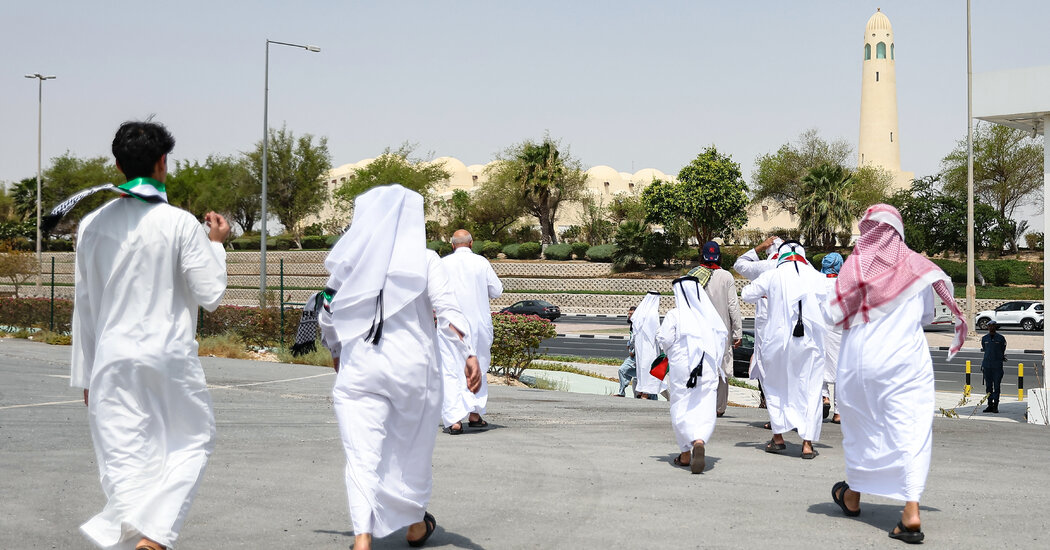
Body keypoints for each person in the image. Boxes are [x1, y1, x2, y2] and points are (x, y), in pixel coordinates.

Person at [70, 121, 230, 550]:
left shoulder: (90, 225)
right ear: (163, 163)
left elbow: (84, 307)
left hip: (111, 360)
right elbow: (211, 293)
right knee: (193, 439)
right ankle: (153, 539)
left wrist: (86, 374)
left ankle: (139, 537)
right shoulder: (179, 223)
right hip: (169, 356)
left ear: (117, 165)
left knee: (125, 457)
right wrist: (215, 242)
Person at [319, 184, 481, 550]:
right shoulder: (425, 260)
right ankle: (414, 526)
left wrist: (335, 350)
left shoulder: (351, 263)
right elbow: (448, 310)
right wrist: (468, 352)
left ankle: (362, 538)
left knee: (361, 456)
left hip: (360, 368)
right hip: (412, 372)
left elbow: (327, 309)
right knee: (412, 451)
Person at [825, 204, 967, 544]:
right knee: (911, 429)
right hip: (905, 359)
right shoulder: (917, 267)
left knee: (862, 427)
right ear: (899, 231)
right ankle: (911, 511)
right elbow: (925, 318)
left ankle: (853, 495)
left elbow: (831, 314)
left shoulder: (855, 265)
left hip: (860, 360)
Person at [741, 241, 827, 460]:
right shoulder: (817, 276)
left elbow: (746, 294)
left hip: (776, 341)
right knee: (811, 387)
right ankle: (807, 444)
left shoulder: (772, 275)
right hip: (810, 342)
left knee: (776, 385)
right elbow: (833, 305)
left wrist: (768, 294)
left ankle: (778, 437)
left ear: (780, 255)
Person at [656, 276, 728, 474]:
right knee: (704, 405)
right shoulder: (710, 316)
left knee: (681, 406)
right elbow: (722, 340)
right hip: (708, 368)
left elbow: (665, 340)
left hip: (682, 368)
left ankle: (686, 453)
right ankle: (699, 440)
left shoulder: (674, 315)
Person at [440, 229, 503, 433]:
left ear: (452, 245)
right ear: (471, 243)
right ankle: (475, 414)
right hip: (478, 325)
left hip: (451, 325)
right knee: (479, 367)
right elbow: (497, 290)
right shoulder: (481, 262)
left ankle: (454, 420)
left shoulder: (443, 264)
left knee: (451, 370)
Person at [688, 241, 742, 417]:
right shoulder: (726, 276)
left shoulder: (694, 275)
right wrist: (737, 333)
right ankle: (719, 408)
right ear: (719, 256)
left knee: (701, 365)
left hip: (699, 330)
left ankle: (702, 403)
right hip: (722, 332)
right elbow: (733, 306)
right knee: (722, 368)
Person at [733, 235, 783, 412]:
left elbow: (739, 264)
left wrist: (759, 247)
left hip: (765, 327)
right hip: (787, 327)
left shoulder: (765, 266)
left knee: (764, 365)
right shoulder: (800, 268)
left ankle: (770, 405)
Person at [820, 252, 845, 424]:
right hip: (840, 330)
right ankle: (838, 412)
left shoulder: (817, 283)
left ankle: (823, 397)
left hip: (820, 328)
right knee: (840, 370)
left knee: (819, 363)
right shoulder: (846, 285)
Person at [631, 291, 663, 400]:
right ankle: (645, 393)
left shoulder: (639, 312)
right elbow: (657, 331)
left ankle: (640, 391)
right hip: (649, 347)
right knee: (649, 368)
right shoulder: (653, 313)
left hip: (640, 347)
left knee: (641, 367)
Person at [980, 321, 1007, 413]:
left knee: (997, 386)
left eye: (993, 326)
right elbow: (984, 348)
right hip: (987, 366)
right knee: (988, 387)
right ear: (987, 327)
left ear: (995, 327)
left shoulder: (1000, 338)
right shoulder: (984, 338)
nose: (991, 328)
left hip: (997, 366)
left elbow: (1002, 349)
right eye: (989, 326)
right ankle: (989, 405)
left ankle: (996, 405)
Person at [616, 306, 639, 397]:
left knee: (640, 380)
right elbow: (632, 338)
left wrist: (633, 351)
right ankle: (621, 392)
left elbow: (639, 340)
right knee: (623, 371)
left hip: (637, 356)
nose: (629, 316)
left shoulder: (638, 325)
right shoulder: (632, 325)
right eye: (628, 314)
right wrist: (628, 344)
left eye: (631, 314)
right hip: (633, 356)